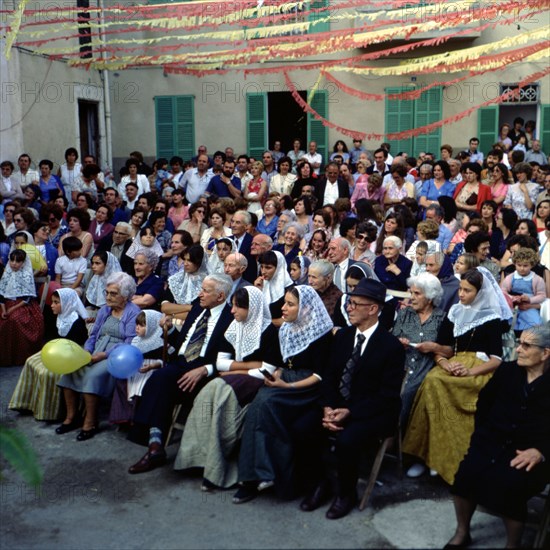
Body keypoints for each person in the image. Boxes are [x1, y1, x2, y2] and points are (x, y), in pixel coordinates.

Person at [295, 279, 405, 519]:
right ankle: (320, 483)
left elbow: (386, 396)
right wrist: (327, 408)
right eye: (349, 302)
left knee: (347, 440)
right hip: (337, 405)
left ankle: (346, 494)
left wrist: (350, 412)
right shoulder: (344, 336)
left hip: (372, 411)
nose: (349, 308)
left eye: (355, 304)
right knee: (302, 427)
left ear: (373, 309)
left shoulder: (391, 347)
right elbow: (330, 376)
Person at [403, 268, 512, 485]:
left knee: (464, 389)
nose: (461, 294)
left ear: (480, 293)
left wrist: (471, 371)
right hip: (453, 362)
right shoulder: (454, 312)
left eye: (467, 291)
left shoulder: (491, 317)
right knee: (433, 381)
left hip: (479, 367)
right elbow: (443, 348)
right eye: (460, 289)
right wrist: (444, 363)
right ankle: (426, 457)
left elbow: (496, 359)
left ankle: (456, 462)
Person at [445, 324, 550, 549]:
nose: (518, 349)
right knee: (465, 474)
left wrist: (541, 452)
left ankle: (513, 545)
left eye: (526, 345)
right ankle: (462, 532)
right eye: (519, 343)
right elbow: (484, 404)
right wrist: (482, 437)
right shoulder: (508, 371)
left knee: (511, 486)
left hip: (531, 452)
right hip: (492, 442)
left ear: (545, 353)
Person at [233, 285, 334, 503]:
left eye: (290, 304)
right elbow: (282, 364)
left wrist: (287, 387)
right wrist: (277, 376)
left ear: (306, 308)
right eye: (284, 303)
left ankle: (259, 476)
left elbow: (319, 376)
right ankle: (259, 476)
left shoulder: (322, 333)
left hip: (306, 389)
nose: (283, 308)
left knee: (265, 405)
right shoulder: (286, 329)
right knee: (258, 408)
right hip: (285, 381)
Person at [174, 286, 281, 489]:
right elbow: (221, 363)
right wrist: (249, 365)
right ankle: (198, 457)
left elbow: (266, 371)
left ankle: (215, 466)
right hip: (233, 380)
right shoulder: (233, 327)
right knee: (208, 394)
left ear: (254, 308)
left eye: (239, 307)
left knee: (223, 396)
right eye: (232, 306)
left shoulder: (268, 332)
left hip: (255, 383)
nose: (232, 311)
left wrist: (236, 372)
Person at [128, 274, 234, 474]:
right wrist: (169, 330)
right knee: (160, 379)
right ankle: (155, 444)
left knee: (161, 381)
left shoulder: (230, 318)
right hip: (181, 363)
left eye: (205, 291)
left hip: (206, 369)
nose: (199, 294)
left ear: (220, 296)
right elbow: (181, 345)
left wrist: (205, 370)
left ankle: (154, 442)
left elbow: (227, 358)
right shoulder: (197, 309)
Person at [56, 272, 140, 440]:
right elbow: (93, 335)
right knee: (70, 371)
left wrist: (104, 355)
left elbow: (131, 341)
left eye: (113, 293)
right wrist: (87, 351)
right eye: (106, 292)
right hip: (96, 351)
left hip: (117, 356)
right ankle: (72, 417)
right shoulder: (104, 310)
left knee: (92, 376)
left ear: (126, 296)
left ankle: (90, 421)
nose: (108, 297)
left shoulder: (134, 312)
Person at [9, 288, 88, 420]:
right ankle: (26, 403)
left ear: (68, 303)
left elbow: (76, 347)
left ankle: (48, 411)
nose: (52, 305)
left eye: (56, 302)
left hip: (71, 355)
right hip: (57, 350)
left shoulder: (77, 323)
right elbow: (53, 338)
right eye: (52, 302)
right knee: (30, 361)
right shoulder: (57, 317)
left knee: (46, 372)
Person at [109, 309, 165, 425]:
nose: (137, 328)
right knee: (121, 382)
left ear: (152, 326)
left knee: (142, 383)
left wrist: (153, 365)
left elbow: (165, 361)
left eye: (142, 325)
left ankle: (136, 418)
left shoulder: (161, 341)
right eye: (137, 324)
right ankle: (124, 416)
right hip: (136, 369)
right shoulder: (136, 340)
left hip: (152, 369)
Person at [0, 249, 44, 366]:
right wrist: (4, 310)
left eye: (18, 261)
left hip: (22, 305)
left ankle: (18, 356)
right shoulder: (7, 274)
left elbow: (27, 298)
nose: (14, 263)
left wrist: (12, 309)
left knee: (15, 319)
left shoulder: (26, 275)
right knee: (2, 320)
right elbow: (1, 295)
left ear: (23, 263)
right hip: (6, 303)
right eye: (12, 260)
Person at [500, 247, 546, 333]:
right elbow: (503, 291)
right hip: (512, 306)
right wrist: (511, 298)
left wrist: (529, 299)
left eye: (525, 266)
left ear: (531, 265)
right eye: (519, 265)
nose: (522, 268)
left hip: (528, 307)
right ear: (515, 264)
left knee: (535, 324)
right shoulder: (510, 277)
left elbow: (542, 296)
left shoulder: (537, 279)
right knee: (507, 322)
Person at [254, 250, 292, 325]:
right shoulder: (261, 283)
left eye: (268, 268)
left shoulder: (290, 289)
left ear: (278, 267)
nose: (263, 271)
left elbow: (288, 320)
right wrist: (257, 291)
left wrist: (264, 322)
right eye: (261, 267)